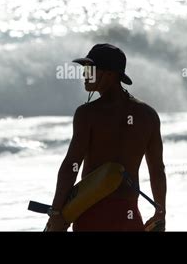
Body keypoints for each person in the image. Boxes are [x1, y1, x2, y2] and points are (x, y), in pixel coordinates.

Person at [46, 43, 166, 231]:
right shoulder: (149, 116)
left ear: (110, 74)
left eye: (91, 69)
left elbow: (71, 165)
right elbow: (157, 170)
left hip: (90, 214)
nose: (85, 75)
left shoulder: (88, 114)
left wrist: (56, 212)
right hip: (129, 216)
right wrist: (161, 211)